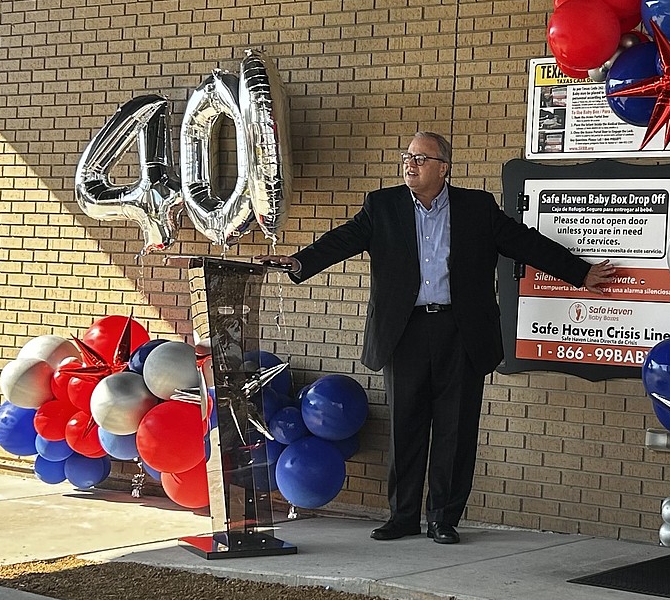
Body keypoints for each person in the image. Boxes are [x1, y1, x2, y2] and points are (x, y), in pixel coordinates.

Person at [256, 131, 614, 545]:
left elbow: (524, 243)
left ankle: (444, 518)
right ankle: (403, 516)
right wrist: (301, 261)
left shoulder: (476, 208)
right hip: (404, 332)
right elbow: (343, 239)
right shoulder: (383, 206)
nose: (410, 164)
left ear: (444, 168)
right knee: (406, 427)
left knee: (455, 430)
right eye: (407, 156)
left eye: (421, 159)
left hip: (461, 332)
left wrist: (580, 272)